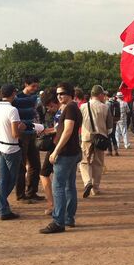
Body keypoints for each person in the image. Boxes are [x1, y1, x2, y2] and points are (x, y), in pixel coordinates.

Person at [39, 82, 83, 234]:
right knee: (69, 186)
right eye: (58, 94)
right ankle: (68, 218)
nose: (59, 96)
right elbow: (62, 129)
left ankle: (59, 221)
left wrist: (56, 151)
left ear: (70, 94)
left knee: (59, 186)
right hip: (72, 152)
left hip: (65, 153)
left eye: (62, 93)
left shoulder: (70, 108)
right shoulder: (72, 107)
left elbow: (68, 130)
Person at [0, 84, 26, 220]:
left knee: (3, 179)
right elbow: (15, 133)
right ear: (13, 94)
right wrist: (21, 127)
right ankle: (2, 209)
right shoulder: (13, 110)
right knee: (10, 180)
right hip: (11, 148)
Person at [14, 75, 44, 202]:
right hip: (21, 135)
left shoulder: (35, 98)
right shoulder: (16, 99)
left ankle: (32, 192)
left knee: (35, 164)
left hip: (32, 132)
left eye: (37, 86)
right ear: (26, 84)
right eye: (33, 86)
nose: (35, 88)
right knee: (21, 165)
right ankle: (21, 195)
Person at [79, 85, 113, 198]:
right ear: (100, 95)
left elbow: (79, 123)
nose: (104, 96)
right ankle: (95, 188)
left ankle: (87, 182)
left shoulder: (82, 107)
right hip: (100, 138)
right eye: (103, 94)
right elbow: (110, 127)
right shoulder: (105, 107)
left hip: (86, 137)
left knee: (85, 162)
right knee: (98, 164)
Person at [38, 91, 60, 215]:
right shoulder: (66, 110)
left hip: (56, 147)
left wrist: (45, 131)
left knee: (45, 173)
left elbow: (59, 129)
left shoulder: (60, 112)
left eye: (49, 106)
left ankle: (52, 205)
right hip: (62, 148)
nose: (48, 109)